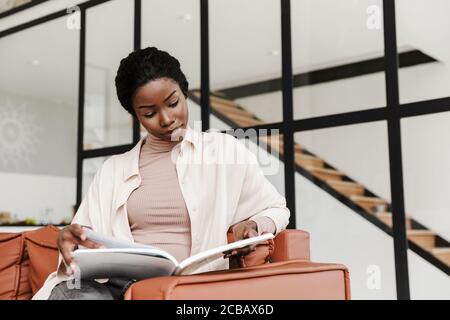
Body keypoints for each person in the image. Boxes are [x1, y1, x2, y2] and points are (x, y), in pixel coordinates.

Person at [33, 47, 290, 300]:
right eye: (150, 113)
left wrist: (255, 225)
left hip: (188, 287)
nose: (166, 119)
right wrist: (70, 239)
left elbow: (277, 209)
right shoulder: (113, 170)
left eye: (173, 103)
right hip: (117, 289)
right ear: (136, 116)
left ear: (184, 91)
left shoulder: (224, 152)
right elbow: (84, 237)